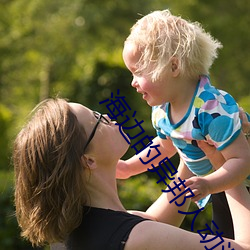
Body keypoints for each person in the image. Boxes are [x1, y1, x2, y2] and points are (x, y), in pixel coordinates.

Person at [13, 98, 250, 250]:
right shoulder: (138, 238)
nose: (108, 117)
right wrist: (227, 165)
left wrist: (189, 142)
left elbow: (154, 221)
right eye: (98, 120)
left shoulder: (77, 233)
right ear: (88, 160)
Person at [120, 9, 250, 239]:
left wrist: (209, 184)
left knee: (232, 240)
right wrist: (130, 167)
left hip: (238, 183)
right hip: (217, 184)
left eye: (138, 72)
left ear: (173, 67)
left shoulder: (210, 109)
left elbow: (242, 160)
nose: (133, 82)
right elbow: (166, 145)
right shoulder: (162, 110)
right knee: (224, 238)